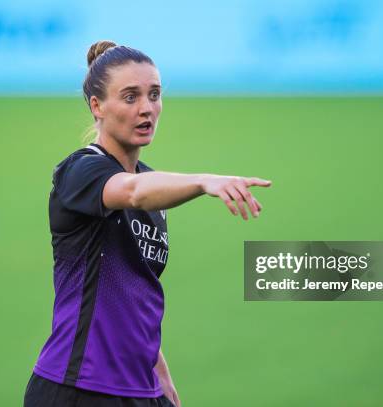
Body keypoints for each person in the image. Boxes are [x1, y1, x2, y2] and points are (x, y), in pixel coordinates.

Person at [24, 40, 271, 407]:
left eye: (154, 95)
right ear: (97, 106)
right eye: (130, 97)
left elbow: (134, 294)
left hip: (141, 389)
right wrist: (204, 181)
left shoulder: (154, 187)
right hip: (79, 387)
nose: (147, 109)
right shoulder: (81, 171)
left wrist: (161, 377)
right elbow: (132, 191)